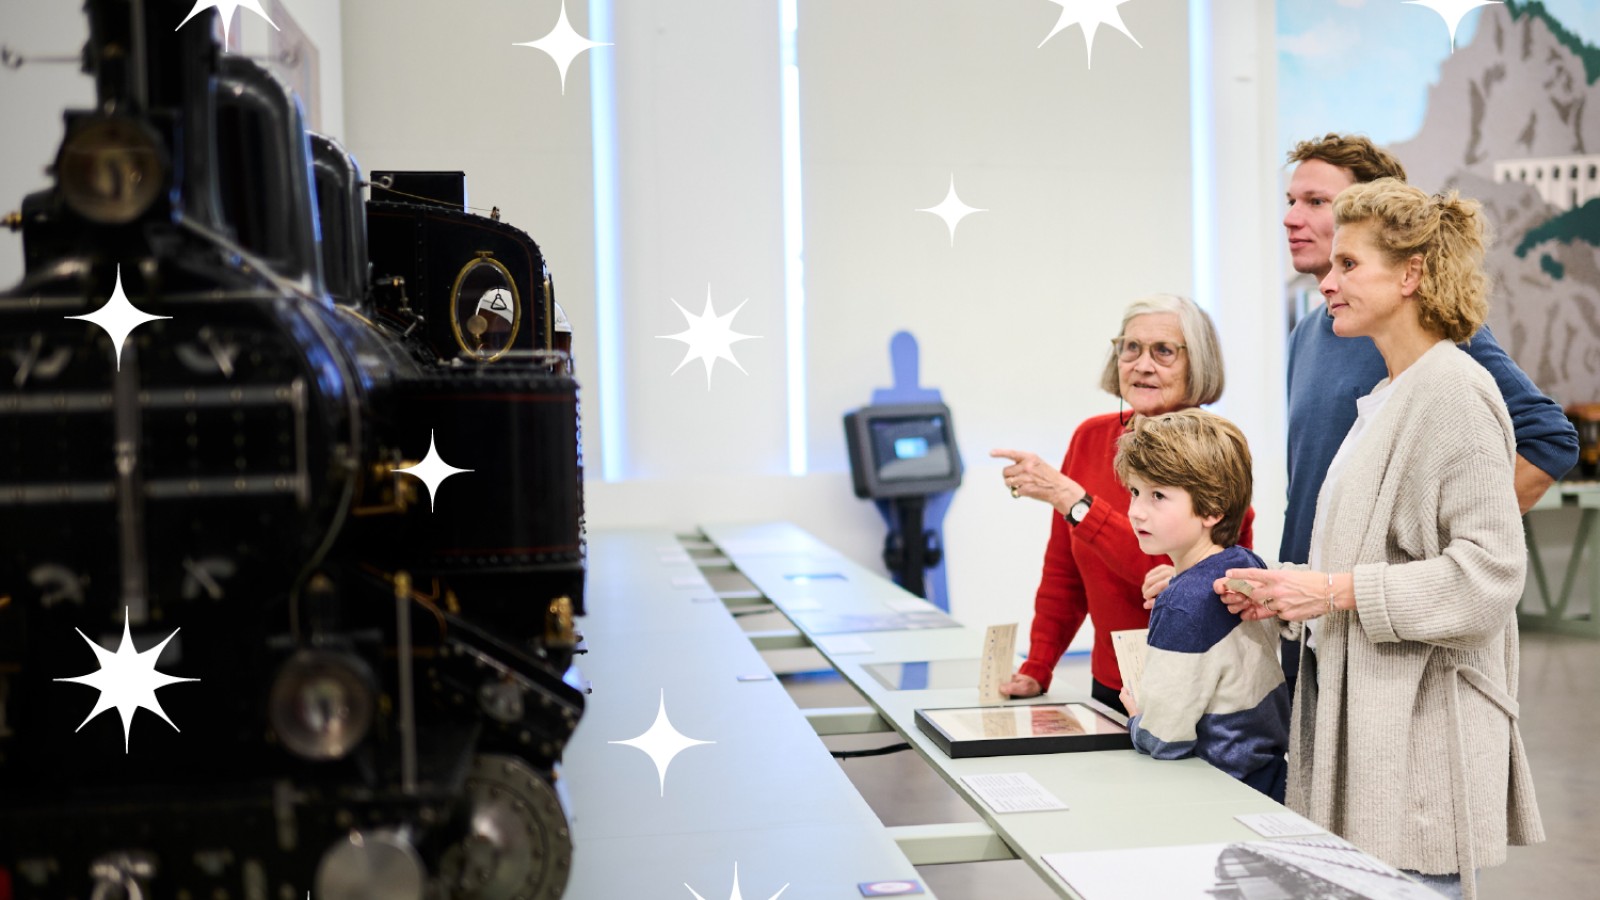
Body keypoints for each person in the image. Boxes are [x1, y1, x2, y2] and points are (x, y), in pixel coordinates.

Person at [1218, 180, 1544, 900]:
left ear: (1411, 275)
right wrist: (1282, 590)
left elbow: (1489, 577)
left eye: (1348, 265)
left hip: (1420, 741)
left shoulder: (1454, 392)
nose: (1326, 283)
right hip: (1370, 728)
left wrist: (1333, 591)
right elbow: (1367, 556)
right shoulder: (1392, 395)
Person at [991, 294, 1251, 715]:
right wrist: (1039, 666)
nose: (1142, 365)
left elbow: (1168, 580)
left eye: (1164, 351)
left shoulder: (1214, 448)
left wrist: (1075, 502)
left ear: (1197, 362)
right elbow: (1065, 571)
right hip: (1111, 679)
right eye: (1131, 348)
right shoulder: (1090, 438)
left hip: (1193, 682)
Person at [1112, 409, 1289, 801]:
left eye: (1158, 495)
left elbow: (1164, 739)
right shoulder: (1245, 563)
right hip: (1268, 778)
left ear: (1212, 509)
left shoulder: (1181, 604)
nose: (1137, 510)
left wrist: (1138, 719)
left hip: (1214, 791)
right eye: (1135, 492)